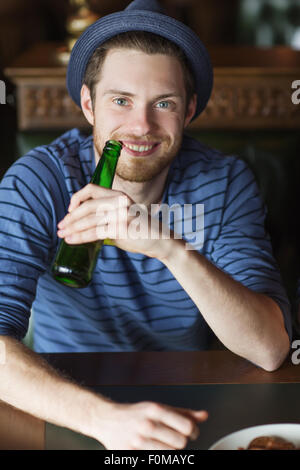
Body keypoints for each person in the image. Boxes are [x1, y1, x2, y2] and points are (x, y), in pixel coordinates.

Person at [0, 0, 292, 450]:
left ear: (189, 110)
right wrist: (105, 420)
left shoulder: (225, 181)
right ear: (88, 105)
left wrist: (169, 247)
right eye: (121, 100)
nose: (141, 126)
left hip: (191, 395)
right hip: (63, 398)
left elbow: (270, 349)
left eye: (164, 103)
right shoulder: (39, 181)